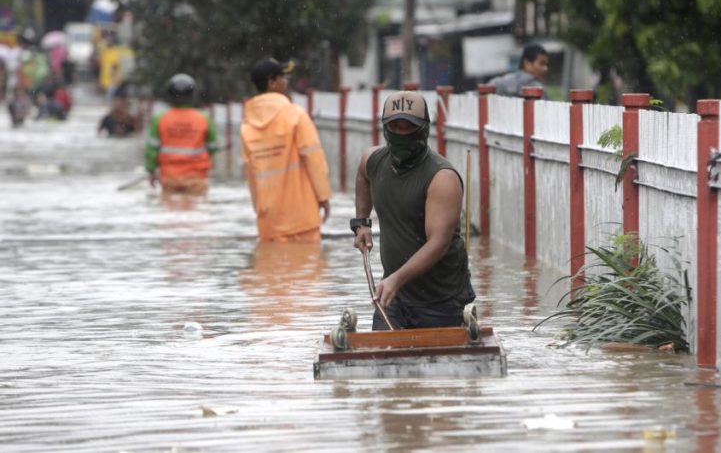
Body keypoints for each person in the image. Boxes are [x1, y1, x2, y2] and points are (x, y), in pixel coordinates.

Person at [352, 90, 475, 330]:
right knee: (381, 360)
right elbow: (362, 174)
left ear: (424, 128)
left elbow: (437, 244)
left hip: (441, 301)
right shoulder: (374, 160)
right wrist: (362, 223)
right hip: (393, 300)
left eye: (408, 127)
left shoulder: (442, 178)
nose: (401, 133)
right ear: (385, 128)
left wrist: (395, 279)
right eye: (394, 126)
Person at [240, 58, 332, 242]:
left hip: (269, 222)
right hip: (302, 217)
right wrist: (324, 197)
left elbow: (250, 175)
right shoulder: (295, 114)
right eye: (283, 77)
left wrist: (260, 210)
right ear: (272, 82)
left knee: (270, 268)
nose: (287, 81)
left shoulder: (247, 125)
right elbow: (313, 158)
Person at [145, 73, 218, 196]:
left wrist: (151, 171)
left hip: (169, 177)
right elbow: (212, 147)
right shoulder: (204, 118)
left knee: (170, 213)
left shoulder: (160, 119)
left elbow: (151, 150)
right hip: (196, 177)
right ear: (192, 95)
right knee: (197, 212)